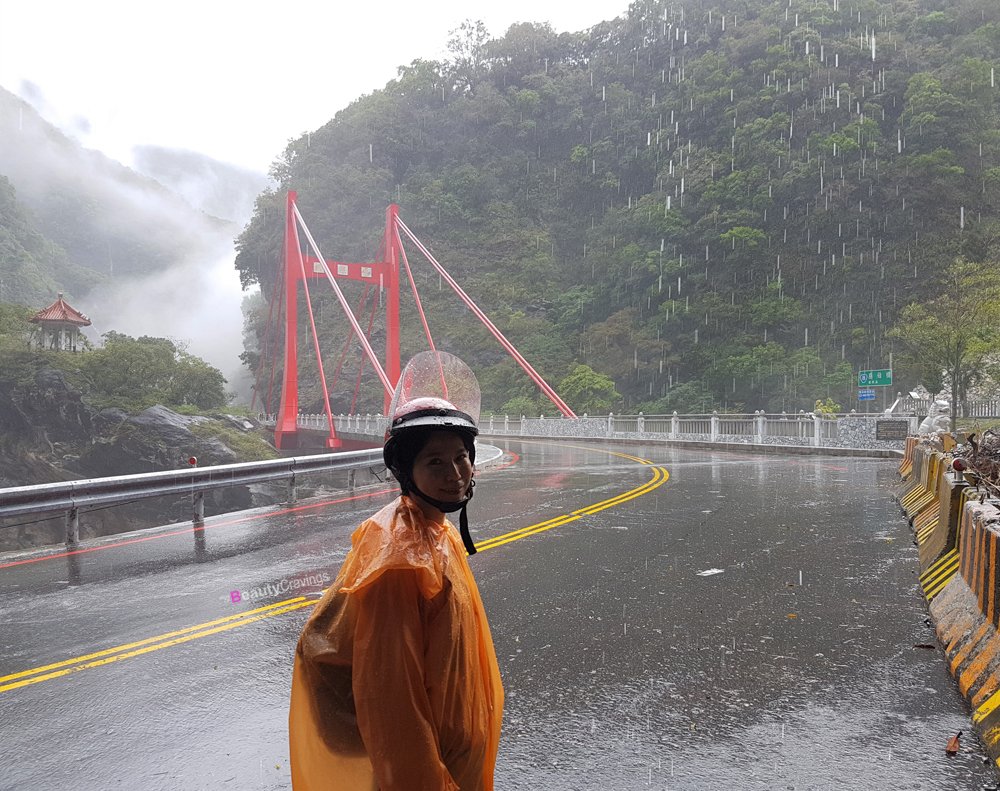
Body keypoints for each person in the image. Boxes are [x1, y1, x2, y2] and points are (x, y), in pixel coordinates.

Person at [289, 351, 504, 790]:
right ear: (406, 470)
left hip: (455, 754)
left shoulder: (434, 532)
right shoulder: (398, 559)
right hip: (430, 772)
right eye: (435, 463)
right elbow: (392, 705)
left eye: (462, 457)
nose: (456, 474)